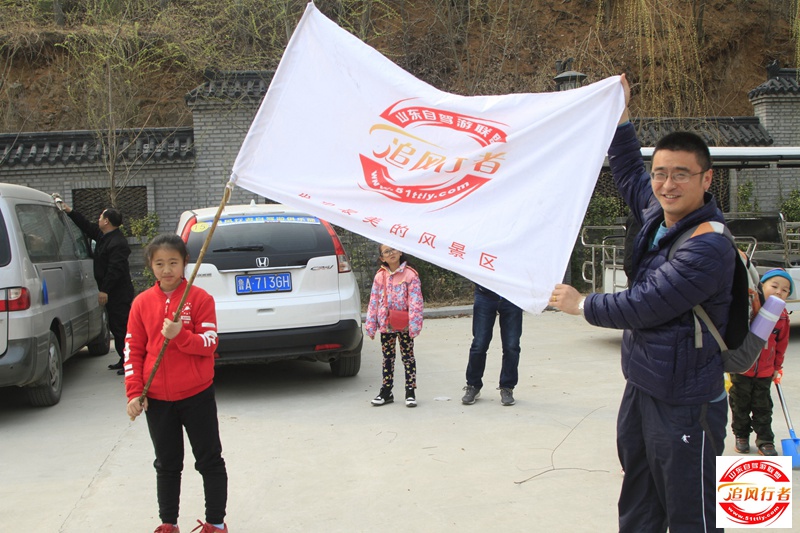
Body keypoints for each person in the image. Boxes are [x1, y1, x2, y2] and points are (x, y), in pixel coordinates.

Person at [550, 74, 735, 532]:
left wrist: (583, 304)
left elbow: (646, 304)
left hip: (686, 400)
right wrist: (621, 115)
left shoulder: (709, 246)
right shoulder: (657, 213)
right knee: (639, 500)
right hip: (643, 386)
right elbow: (629, 170)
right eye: (661, 173)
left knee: (692, 513)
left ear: (706, 179)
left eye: (681, 174)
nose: (667, 184)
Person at [125, 234, 228, 533]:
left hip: (197, 396)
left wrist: (180, 335)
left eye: (173, 262)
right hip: (157, 400)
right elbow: (133, 350)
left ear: (185, 262)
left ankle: (216, 523)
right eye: (159, 263)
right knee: (167, 464)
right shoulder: (141, 303)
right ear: (150, 265)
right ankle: (168, 523)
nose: (167, 269)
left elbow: (209, 343)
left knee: (209, 460)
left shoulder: (200, 299)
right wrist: (135, 392)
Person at [62, 202, 134, 374]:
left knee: (121, 327)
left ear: (107, 221)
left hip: (118, 293)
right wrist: (69, 211)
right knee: (115, 327)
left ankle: (129, 362)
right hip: (111, 291)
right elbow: (86, 226)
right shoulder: (104, 236)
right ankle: (123, 359)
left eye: (101, 216)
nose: (98, 219)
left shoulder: (118, 243)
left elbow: (115, 270)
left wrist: (105, 290)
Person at [729, 268, 791, 457]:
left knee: (763, 407)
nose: (779, 292)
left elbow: (782, 344)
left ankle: (765, 440)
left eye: (785, 290)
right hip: (742, 369)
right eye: (774, 286)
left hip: (765, 371)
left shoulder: (782, 316)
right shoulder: (750, 308)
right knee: (739, 404)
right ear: (761, 286)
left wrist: (777, 367)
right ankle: (741, 435)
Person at [364, 244, 424, 407]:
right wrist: (371, 325)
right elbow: (374, 301)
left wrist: (415, 324)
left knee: (408, 357)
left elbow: (416, 301)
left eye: (394, 249)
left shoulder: (410, 274)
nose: (391, 253)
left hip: (405, 325)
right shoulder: (380, 276)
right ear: (382, 258)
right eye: (387, 251)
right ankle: (386, 391)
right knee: (388, 358)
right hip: (386, 324)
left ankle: (410, 391)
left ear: (400, 251)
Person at [461, 285, 523, 406]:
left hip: (512, 296)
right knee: (479, 344)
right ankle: (473, 385)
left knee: (512, 346)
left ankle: (507, 387)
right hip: (485, 294)